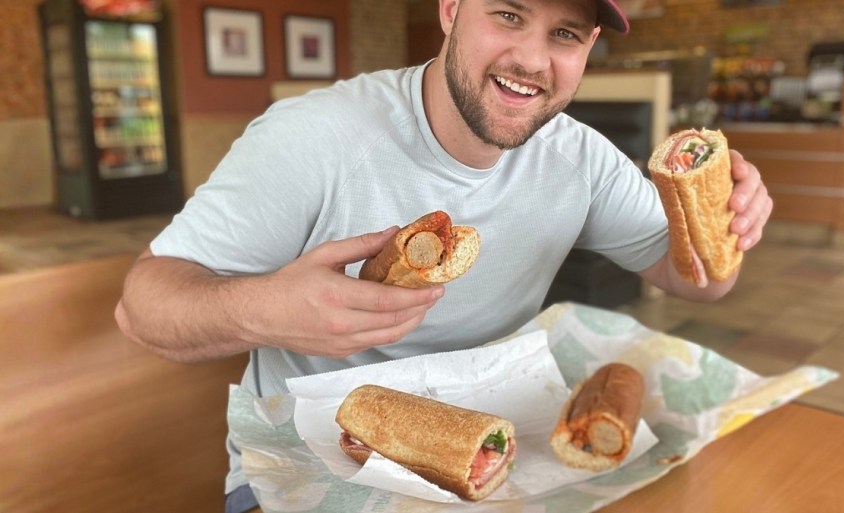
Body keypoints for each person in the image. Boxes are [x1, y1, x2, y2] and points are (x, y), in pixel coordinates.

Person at [115, 0, 772, 511]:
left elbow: (698, 281)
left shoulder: (583, 161)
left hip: (496, 465)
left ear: (588, 47)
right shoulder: (314, 137)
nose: (531, 58)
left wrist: (726, 219)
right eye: (508, 14)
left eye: (564, 34)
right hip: (309, 467)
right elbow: (141, 306)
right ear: (451, 9)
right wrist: (266, 311)